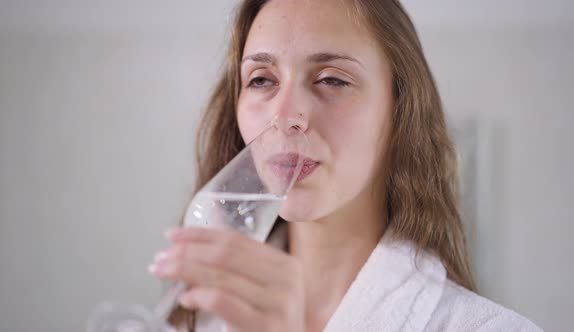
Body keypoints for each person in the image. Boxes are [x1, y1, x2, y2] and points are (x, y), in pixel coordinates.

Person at [147, 0, 542, 331]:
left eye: (332, 79)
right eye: (262, 80)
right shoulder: (200, 319)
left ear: (400, 111)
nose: (285, 116)